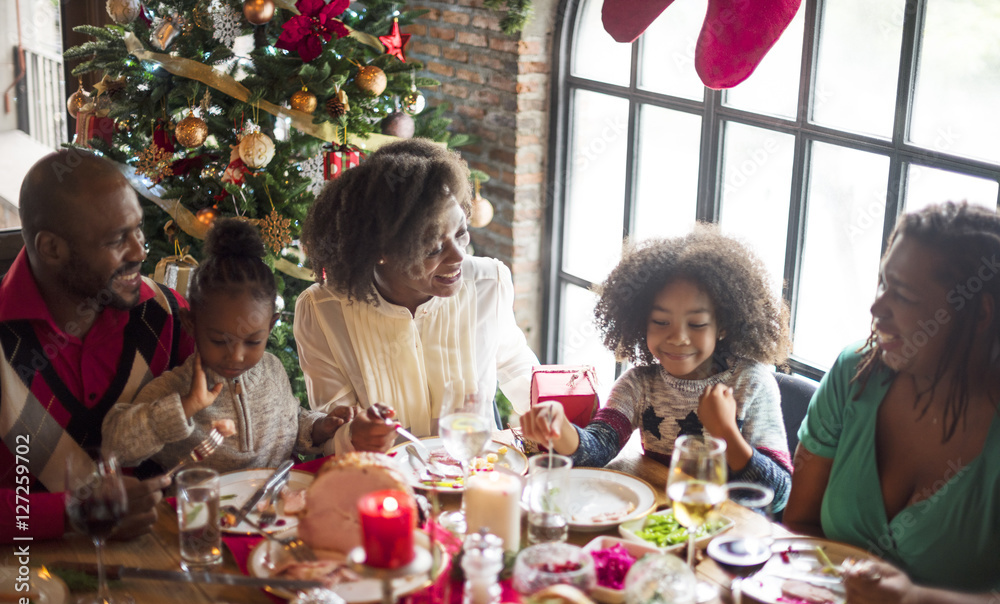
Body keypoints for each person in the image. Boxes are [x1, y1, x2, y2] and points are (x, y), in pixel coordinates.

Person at [784, 202, 1000, 604]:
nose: (876, 307)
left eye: (902, 294)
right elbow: (799, 524)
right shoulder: (854, 373)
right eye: (883, 281)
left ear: (979, 313)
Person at [520, 226, 793, 511]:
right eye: (661, 322)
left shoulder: (751, 384)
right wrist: (560, 428)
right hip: (665, 522)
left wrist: (726, 431)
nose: (677, 337)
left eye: (697, 324)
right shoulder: (639, 384)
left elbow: (779, 493)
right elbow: (597, 449)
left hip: (732, 535)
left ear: (723, 325)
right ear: (641, 322)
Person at [294, 138, 538, 454]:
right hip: (385, 487)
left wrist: (550, 412)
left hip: (475, 478)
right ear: (380, 251)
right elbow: (330, 433)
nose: (458, 257)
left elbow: (518, 367)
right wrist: (353, 436)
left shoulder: (489, 283)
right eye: (434, 248)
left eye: (461, 233)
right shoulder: (323, 312)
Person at [1, 148, 195, 542]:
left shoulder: (167, 316)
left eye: (138, 229)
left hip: (166, 568)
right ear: (52, 248)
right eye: (116, 239)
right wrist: (72, 514)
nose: (141, 251)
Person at [103, 219, 353, 472]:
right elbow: (115, 448)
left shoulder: (273, 369)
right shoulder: (174, 389)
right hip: (206, 508)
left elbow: (290, 421)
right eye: (219, 341)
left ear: (270, 326)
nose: (235, 356)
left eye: (253, 341)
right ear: (191, 324)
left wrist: (320, 427)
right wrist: (185, 406)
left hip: (280, 502)